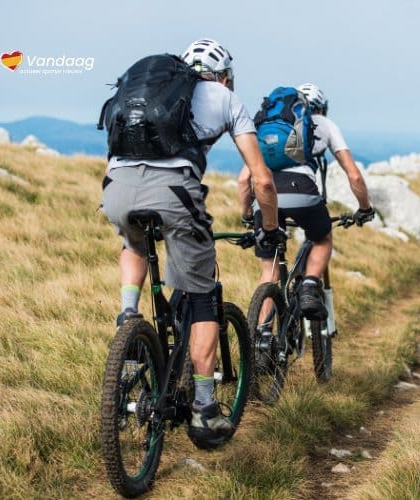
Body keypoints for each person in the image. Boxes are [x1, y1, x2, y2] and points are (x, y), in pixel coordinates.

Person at [101, 38, 280, 443]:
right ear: (224, 75)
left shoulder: (147, 91)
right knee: (203, 298)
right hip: (173, 193)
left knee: (133, 245)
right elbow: (262, 179)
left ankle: (128, 315)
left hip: (116, 190)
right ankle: (203, 409)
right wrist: (268, 228)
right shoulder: (224, 98)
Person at [237, 82, 374, 320]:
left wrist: (248, 213)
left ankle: (261, 336)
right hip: (303, 191)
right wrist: (365, 208)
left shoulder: (269, 128)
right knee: (322, 238)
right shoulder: (325, 124)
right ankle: (310, 285)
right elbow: (354, 175)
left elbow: (242, 180)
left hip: (266, 196)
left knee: (269, 270)